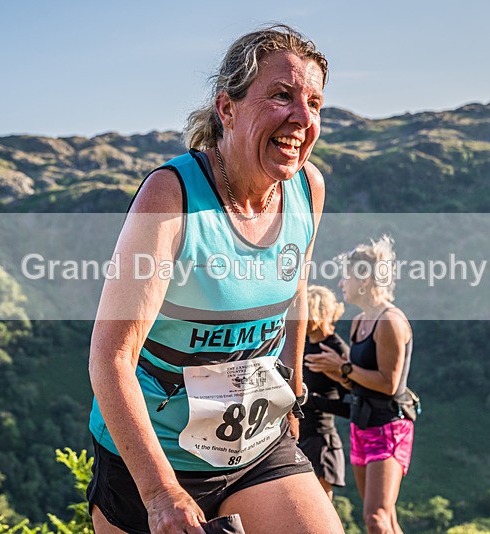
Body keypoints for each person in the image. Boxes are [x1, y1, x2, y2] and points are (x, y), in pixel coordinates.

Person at [86, 25, 344, 534]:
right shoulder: (171, 196)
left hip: (258, 442)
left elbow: (294, 296)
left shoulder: (307, 188)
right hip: (154, 456)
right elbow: (111, 358)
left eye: (314, 103)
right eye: (281, 96)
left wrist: (292, 391)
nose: (302, 117)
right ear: (227, 108)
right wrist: (160, 495)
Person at [305, 236, 415, 534]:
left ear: (364, 280)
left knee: (375, 518)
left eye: (347, 276)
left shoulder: (390, 321)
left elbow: (389, 385)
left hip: (389, 425)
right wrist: (336, 374)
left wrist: (342, 367)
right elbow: (358, 383)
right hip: (362, 422)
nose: (342, 284)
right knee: (384, 518)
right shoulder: (359, 322)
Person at [298, 285, 350, 500]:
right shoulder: (301, 346)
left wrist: (310, 400)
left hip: (321, 440)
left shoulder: (336, 350)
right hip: (297, 437)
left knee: (320, 504)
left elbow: (351, 408)